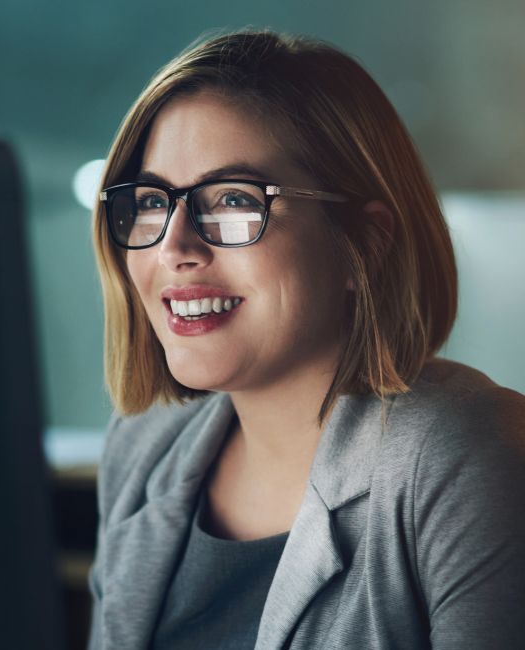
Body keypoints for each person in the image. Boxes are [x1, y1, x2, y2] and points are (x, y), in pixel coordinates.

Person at [87, 30, 525, 650]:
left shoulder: (464, 455)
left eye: (234, 200)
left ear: (363, 244)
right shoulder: (144, 446)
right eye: (153, 202)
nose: (174, 248)